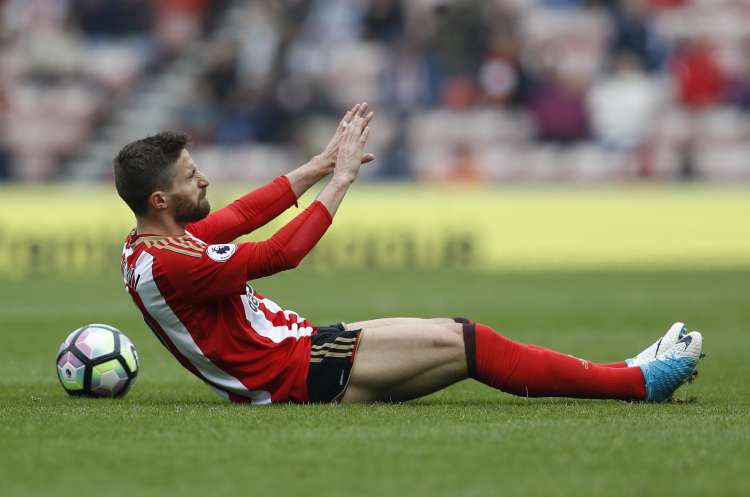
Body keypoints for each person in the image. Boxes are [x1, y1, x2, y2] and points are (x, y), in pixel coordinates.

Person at [115, 102, 703, 405]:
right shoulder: (173, 262)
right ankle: (636, 383)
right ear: (163, 198)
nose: (206, 182)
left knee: (455, 334)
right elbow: (277, 255)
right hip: (298, 373)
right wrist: (341, 180)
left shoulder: (150, 242)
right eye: (193, 178)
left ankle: (629, 374)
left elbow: (242, 217)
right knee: (468, 342)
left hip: (301, 355)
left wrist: (319, 165)